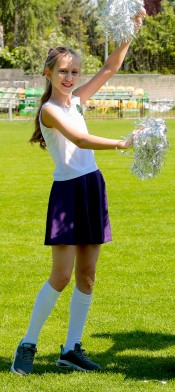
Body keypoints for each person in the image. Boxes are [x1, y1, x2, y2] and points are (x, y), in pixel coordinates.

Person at [12, 35, 142, 375]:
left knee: (87, 276)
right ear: (49, 73)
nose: (70, 78)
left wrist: (127, 34)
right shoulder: (50, 111)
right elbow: (81, 139)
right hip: (68, 194)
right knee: (61, 275)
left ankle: (71, 349)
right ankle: (27, 343)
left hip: (92, 187)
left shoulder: (77, 101)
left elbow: (111, 67)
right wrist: (121, 143)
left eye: (75, 72)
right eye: (64, 72)